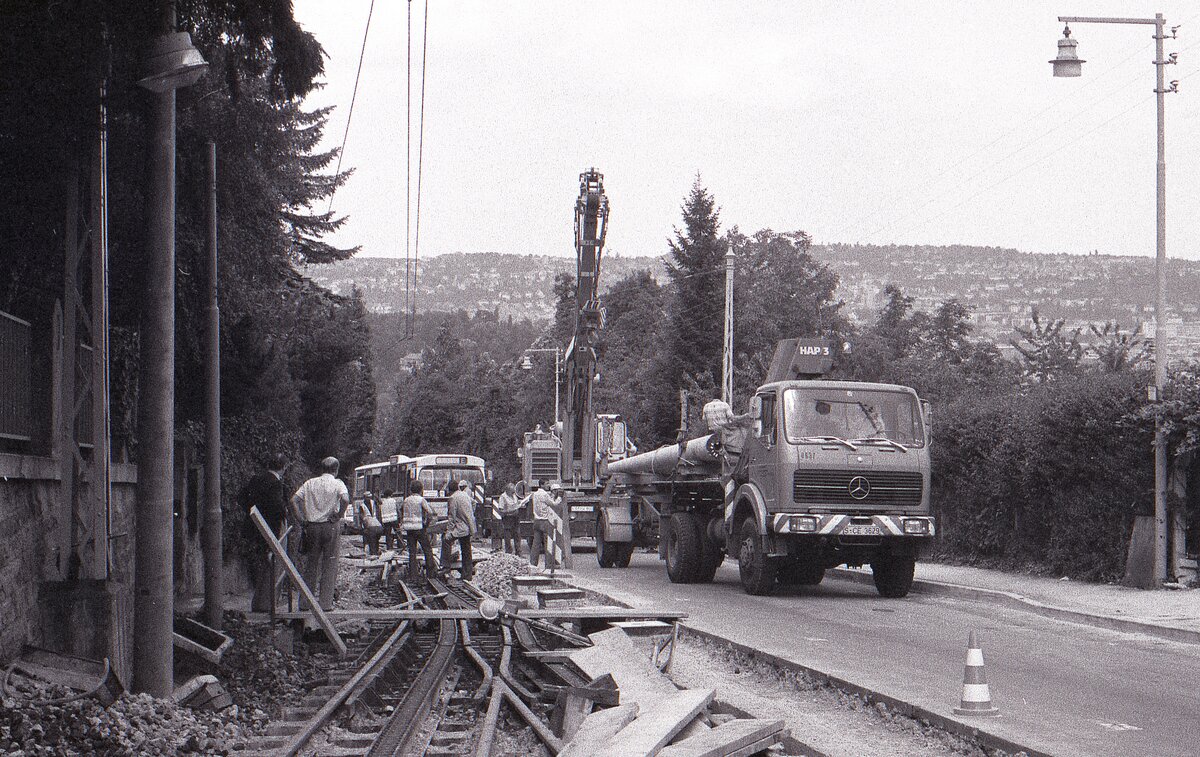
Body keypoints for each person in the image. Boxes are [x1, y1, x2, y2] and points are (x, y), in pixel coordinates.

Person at [289, 456, 350, 617]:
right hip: (330, 526)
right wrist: (339, 514)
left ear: (321, 469)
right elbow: (345, 499)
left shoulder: (309, 483)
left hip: (312, 527)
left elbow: (293, 501)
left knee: (311, 564)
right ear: (336, 470)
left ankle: (304, 602)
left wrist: (301, 520)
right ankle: (325, 603)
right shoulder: (338, 483)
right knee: (330, 564)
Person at [238, 453, 289, 613]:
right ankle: (266, 604)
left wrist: (252, 512)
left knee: (261, 564)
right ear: (283, 468)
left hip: (255, 526)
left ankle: (259, 602)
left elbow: (241, 496)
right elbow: (276, 508)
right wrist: (283, 513)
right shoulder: (276, 484)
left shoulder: (256, 479)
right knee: (272, 564)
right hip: (271, 528)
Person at [402, 479, 438, 580]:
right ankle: (431, 574)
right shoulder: (421, 500)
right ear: (421, 490)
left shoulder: (406, 500)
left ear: (410, 490)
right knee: (427, 550)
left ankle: (413, 576)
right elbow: (430, 513)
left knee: (412, 552)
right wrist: (426, 524)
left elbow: (401, 511)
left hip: (409, 529)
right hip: (419, 528)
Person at [442, 479, 478, 579]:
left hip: (460, 527)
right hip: (469, 526)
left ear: (449, 489)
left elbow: (451, 517)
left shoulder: (453, 498)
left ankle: (446, 566)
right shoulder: (465, 494)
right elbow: (474, 503)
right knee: (466, 549)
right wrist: (470, 513)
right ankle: (467, 574)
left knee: (446, 540)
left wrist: (449, 531)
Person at [527, 480, 563, 571]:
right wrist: (559, 497)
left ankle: (533, 564)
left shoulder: (535, 494)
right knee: (548, 544)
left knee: (536, 544)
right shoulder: (544, 495)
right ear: (542, 485)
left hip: (537, 521)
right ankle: (548, 565)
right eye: (547, 484)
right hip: (545, 521)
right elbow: (554, 504)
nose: (548, 485)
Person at [496, 483, 523, 555]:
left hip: (515, 517)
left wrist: (519, 504)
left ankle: (518, 552)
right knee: (507, 535)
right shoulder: (503, 497)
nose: (513, 493)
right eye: (512, 491)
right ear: (507, 490)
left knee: (517, 534)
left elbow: (516, 503)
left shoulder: (514, 496)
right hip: (507, 518)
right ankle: (508, 552)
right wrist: (509, 511)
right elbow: (500, 509)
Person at [356, 490, 384, 556]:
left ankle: (373, 554)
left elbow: (379, 508)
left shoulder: (372, 503)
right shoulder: (364, 505)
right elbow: (361, 517)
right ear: (364, 497)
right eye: (367, 497)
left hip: (373, 525)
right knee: (374, 541)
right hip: (373, 524)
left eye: (369, 497)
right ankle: (374, 553)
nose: (369, 498)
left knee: (372, 540)